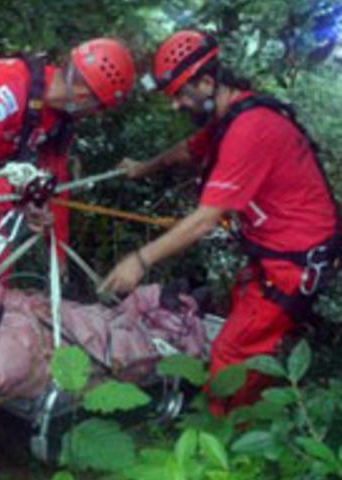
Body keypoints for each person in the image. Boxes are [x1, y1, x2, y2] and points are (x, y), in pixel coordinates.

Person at [100, 30, 339, 416]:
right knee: (251, 345)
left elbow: (206, 219)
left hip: (292, 263)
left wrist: (139, 261)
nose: (177, 106)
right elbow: (188, 150)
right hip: (274, 254)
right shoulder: (232, 116)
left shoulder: (249, 129)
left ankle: (224, 444)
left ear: (208, 82)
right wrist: (142, 168)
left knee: (231, 353)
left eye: (181, 94)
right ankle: (259, 411)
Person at [0, 38, 135, 278]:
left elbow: (56, 185)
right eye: (96, 108)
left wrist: (58, 255)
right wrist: (22, 201)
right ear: (82, 96)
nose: (93, 115)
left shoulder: (59, 121)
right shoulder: (9, 85)